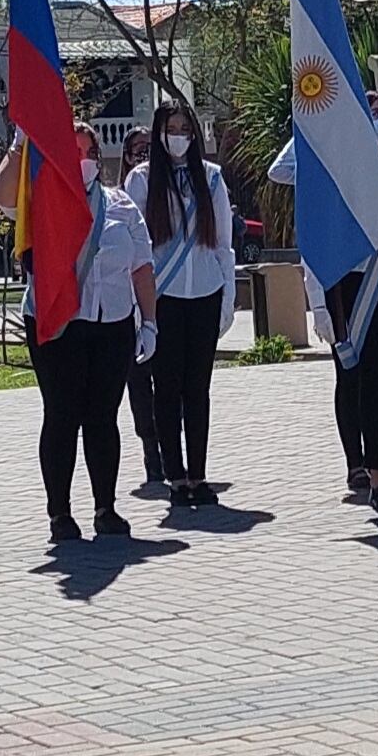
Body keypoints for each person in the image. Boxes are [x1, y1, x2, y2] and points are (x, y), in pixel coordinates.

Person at [269, 89, 378, 509]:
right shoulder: (347, 172)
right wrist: (329, 123)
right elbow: (285, 171)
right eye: (374, 112)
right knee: (368, 382)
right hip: (362, 285)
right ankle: (373, 473)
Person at [0, 126, 156, 542]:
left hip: (112, 324)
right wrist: (20, 143)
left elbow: (141, 266)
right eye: (73, 151)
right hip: (57, 324)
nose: (82, 159)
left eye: (89, 151)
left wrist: (150, 321)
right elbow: (1, 196)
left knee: (103, 418)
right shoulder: (39, 199)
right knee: (63, 415)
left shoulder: (121, 204)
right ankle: (60, 514)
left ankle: (106, 507)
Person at [126, 104, 234, 508]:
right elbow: (135, 249)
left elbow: (223, 244)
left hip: (204, 294)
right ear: (159, 133)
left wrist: (227, 298)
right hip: (164, 298)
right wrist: (141, 311)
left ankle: (199, 474)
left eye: (185, 128)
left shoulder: (212, 178)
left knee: (198, 390)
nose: (179, 135)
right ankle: (174, 476)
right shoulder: (141, 180)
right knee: (166, 390)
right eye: (171, 129)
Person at [117, 126, 168, 487]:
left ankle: (172, 449)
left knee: (170, 381)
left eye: (150, 149)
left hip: (173, 297)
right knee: (139, 382)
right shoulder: (117, 202)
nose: (144, 156)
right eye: (137, 150)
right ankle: (151, 449)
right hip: (132, 307)